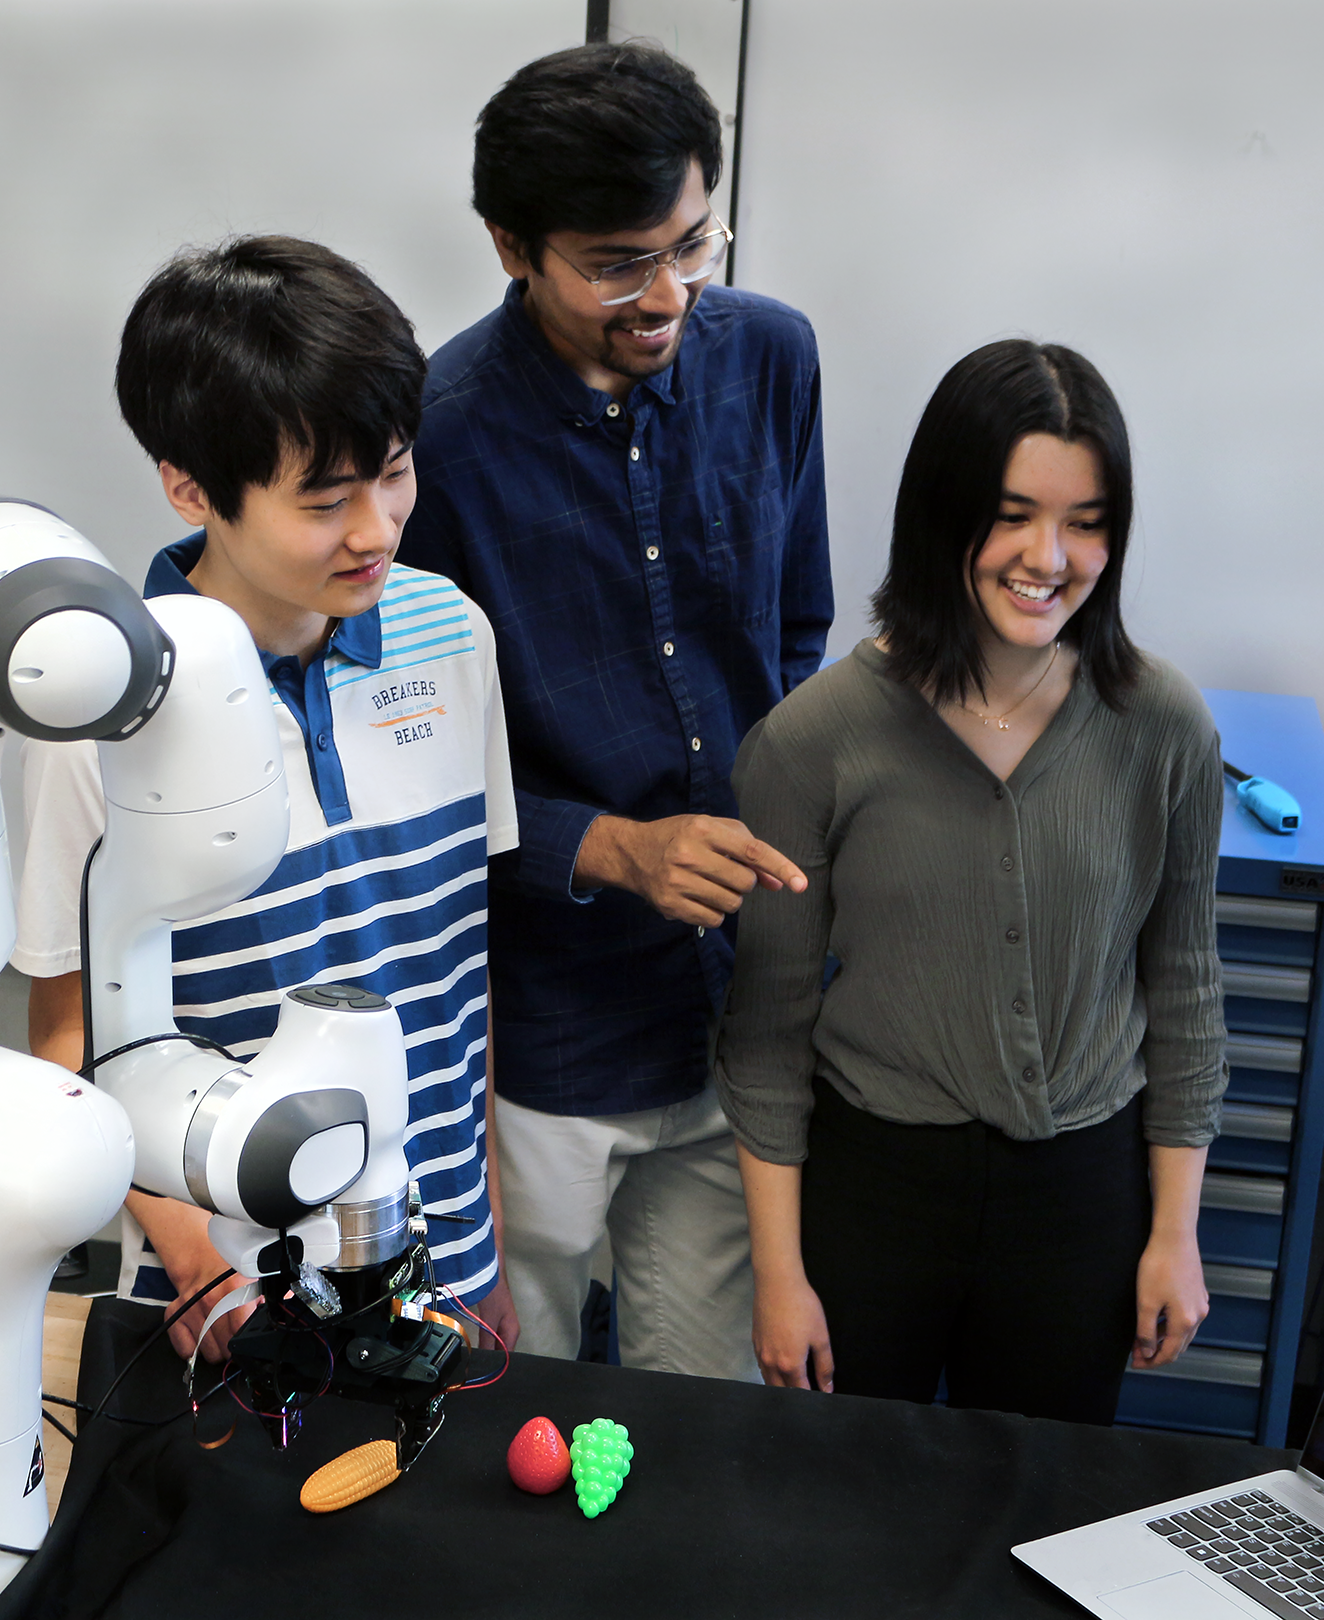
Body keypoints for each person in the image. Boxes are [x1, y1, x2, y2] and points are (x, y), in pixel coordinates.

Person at [396, 41, 830, 1379]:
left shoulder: (770, 358)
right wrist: (612, 850)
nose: (667, 296)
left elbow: (799, 636)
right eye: (616, 266)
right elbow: (412, 778)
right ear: (510, 245)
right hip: (544, 1039)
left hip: (735, 1023)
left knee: (699, 1412)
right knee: (494, 1401)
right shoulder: (437, 438)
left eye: (692, 244)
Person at [19, 237, 521, 1362]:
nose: (377, 529)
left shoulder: (450, 635)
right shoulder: (101, 714)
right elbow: (68, 1043)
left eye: (395, 472)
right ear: (191, 486)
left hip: (440, 1257)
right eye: (326, 498)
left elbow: (450, 971)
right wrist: (198, 1270)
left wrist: (486, 1242)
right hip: (231, 1289)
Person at [713, 339, 1223, 1424]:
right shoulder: (813, 742)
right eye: (1014, 513)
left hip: (1083, 1198)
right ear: (944, 511)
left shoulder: (1164, 727)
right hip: (874, 1191)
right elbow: (766, 1034)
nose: (1051, 555)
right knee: (851, 1521)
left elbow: (1183, 988)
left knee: (1043, 1523)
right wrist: (777, 1273)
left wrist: (1174, 1234)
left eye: (1088, 521)